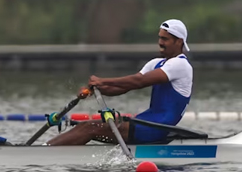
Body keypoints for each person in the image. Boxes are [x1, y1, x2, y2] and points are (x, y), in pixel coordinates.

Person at [47, 19, 193, 146]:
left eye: (165, 39)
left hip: (156, 129)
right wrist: (95, 89)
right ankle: (48, 150)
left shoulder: (180, 65)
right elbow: (124, 88)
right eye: (160, 38)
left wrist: (102, 80)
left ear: (179, 41)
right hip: (145, 122)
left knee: (89, 128)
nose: (160, 42)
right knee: (85, 126)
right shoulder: (156, 63)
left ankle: (44, 152)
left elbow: (139, 81)